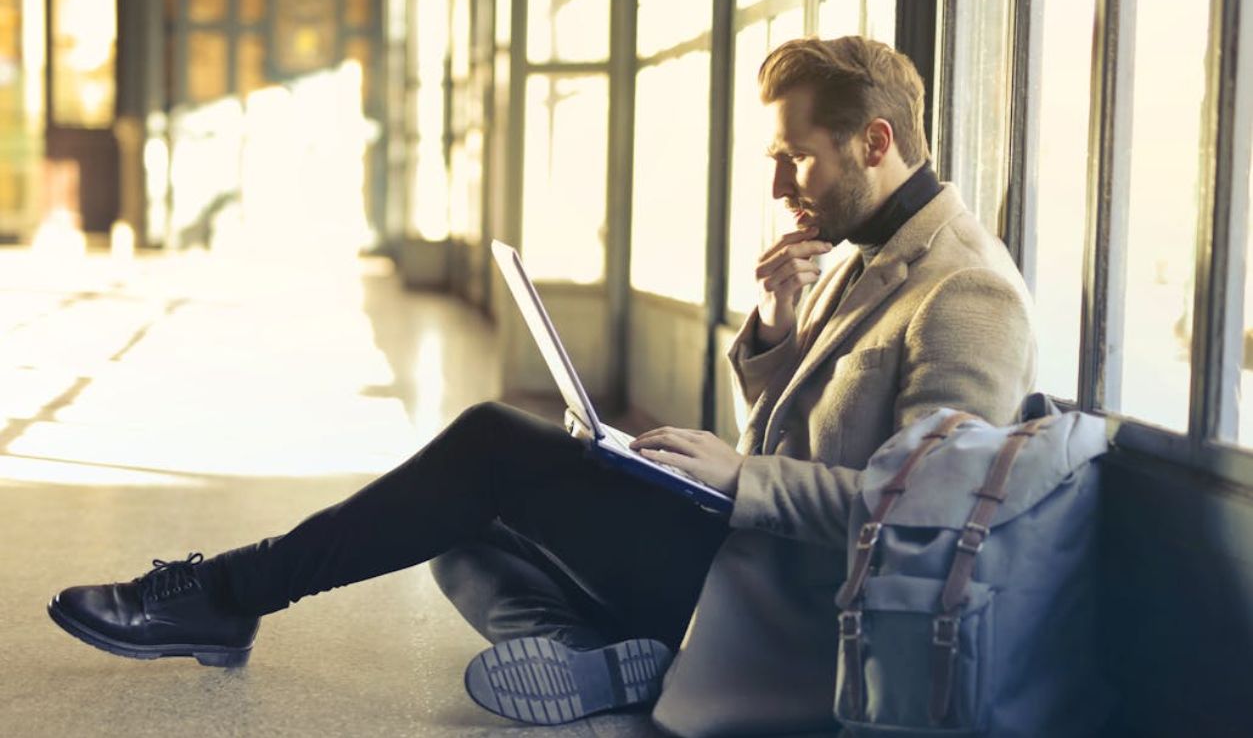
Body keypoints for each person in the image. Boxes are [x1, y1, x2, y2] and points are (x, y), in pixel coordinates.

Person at [47, 36, 1035, 736]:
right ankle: (600, 652)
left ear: (872, 141)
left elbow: (927, 529)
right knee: (457, 530)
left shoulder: (965, 294)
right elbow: (806, 438)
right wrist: (775, 331)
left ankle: (226, 591)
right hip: (745, 550)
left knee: (487, 446)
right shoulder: (865, 251)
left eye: (797, 158)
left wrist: (739, 479)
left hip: (797, 606)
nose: (781, 187)